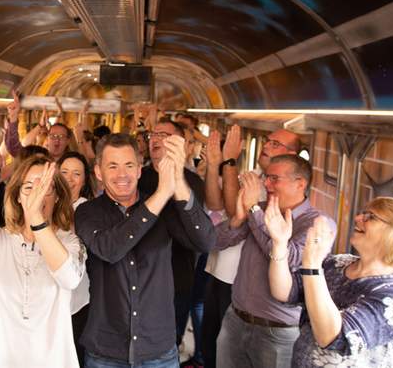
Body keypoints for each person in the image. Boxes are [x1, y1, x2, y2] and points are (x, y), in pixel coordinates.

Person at [76, 133, 216, 368]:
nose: (122, 174)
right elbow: (110, 249)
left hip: (158, 350)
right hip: (105, 351)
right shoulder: (87, 212)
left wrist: (177, 181)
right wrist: (162, 193)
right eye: (113, 166)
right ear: (98, 173)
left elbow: (205, 242)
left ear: (140, 170)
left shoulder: (165, 209)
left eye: (129, 165)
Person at [264, 197, 393, 367]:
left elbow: (332, 338)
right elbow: (284, 292)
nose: (358, 218)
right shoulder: (339, 263)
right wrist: (279, 243)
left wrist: (312, 265)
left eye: (370, 217)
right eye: (363, 214)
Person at [0, 157, 85, 368]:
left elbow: (69, 278)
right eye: (29, 187)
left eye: (45, 187)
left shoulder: (69, 241)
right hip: (1, 359)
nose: (36, 194)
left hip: (53, 360)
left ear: (58, 196)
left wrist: (36, 219)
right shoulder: (1, 239)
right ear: (18, 197)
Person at [215, 154, 335, 368]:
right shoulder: (258, 209)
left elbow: (288, 258)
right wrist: (238, 220)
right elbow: (215, 242)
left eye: (274, 178)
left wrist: (254, 211)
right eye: (266, 178)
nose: (266, 184)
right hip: (235, 320)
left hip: (277, 332)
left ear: (300, 183)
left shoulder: (317, 223)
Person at [141, 119, 208, 364]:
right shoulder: (138, 177)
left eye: (164, 135)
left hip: (176, 277)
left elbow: (196, 234)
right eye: (153, 134)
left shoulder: (193, 184)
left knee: (169, 342)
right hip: (139, 276)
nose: (155, 139)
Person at [200, 128, 245, 368]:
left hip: (236, 279)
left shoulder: (254, 184)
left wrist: (227, 162)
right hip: (217, 271)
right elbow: (215, 206)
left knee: (225, 348)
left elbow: (232, 211)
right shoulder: (237, 177)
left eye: (274, 144)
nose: (267, 146)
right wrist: (215, 165)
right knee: (210, 342)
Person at [58, 151, 97, 367]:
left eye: (76, 174)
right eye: (64, 172)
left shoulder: (86, 208)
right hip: (48, 294)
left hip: (77, 296)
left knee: (73, 354)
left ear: (83, 180)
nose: (69, 179)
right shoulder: (47, 203)